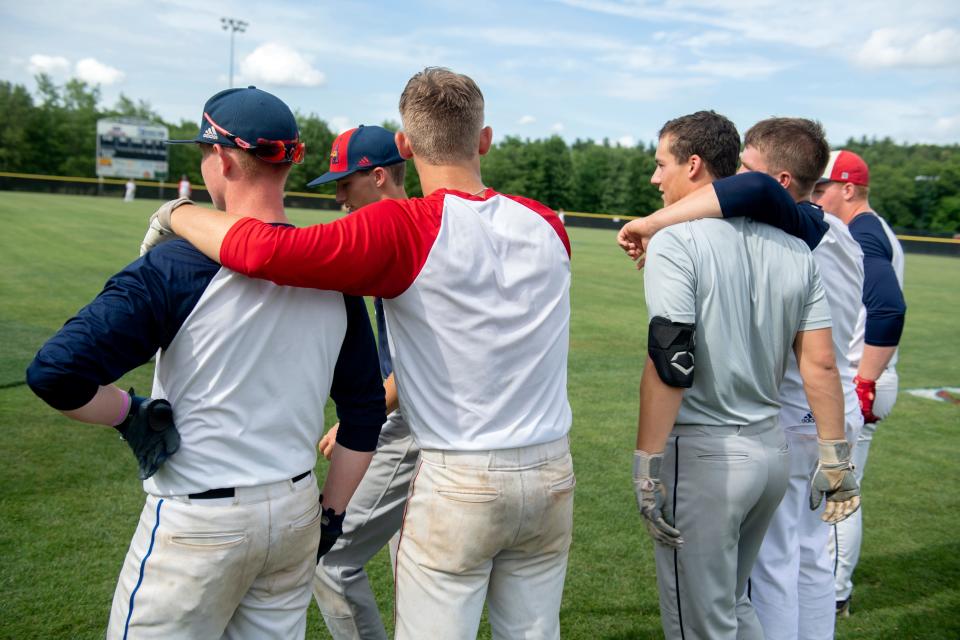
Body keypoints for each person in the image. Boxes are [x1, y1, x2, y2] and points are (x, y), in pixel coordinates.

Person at [143, 67, 575, 640]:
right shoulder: (546, 222)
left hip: (463, 476)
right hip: (553, 474)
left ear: (403, 145)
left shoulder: (406, 226)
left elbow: (263, 249)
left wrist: (174, 214)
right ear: (485, 139)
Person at [26, 86, 385, 639]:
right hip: (294, 510)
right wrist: (331, 514)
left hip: (199, 518)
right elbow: (364, 413)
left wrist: (128, 412)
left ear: (219, 158)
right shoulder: (332, 277)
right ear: (288, 162)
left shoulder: (174, 265)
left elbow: (55, 372)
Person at [619, 111, 860, 640]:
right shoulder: (797, 246)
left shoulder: (677, 241)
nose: (656, 178)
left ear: (695, 164)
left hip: (706, 460)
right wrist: (834, 456)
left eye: (661, 164)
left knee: (698, 624)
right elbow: (820, 364)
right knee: (733, 604)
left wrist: (645, 465)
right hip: (770, 452)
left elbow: (671, 361)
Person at [737, 119, 866, 640]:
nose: (737, 178)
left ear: (782, 182)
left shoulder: (789, 235)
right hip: (836, 414)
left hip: (797, 413)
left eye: (748, 169)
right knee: (813, 555)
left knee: (773, 559)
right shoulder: (843, 235)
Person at [306, 125, 419, 640]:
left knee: (329, 561)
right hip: (423, 419)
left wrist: (363, 418)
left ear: (377, 177)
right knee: (413, 568)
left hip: (409, 422)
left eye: (344, 185)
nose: (338, 199)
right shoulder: (417, 225)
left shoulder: (413, 233)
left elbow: (420, 367)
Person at [812, 149, 906, 617]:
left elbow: (888, 307)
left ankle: (834, 592)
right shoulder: (877, 228)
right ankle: (828, 587)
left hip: (859, 376)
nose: (816, 196)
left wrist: (865, 381)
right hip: (863, 375)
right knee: (837, 487)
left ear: (848, 189)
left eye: (821, 188)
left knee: (838, 490)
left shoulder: (863, 230)